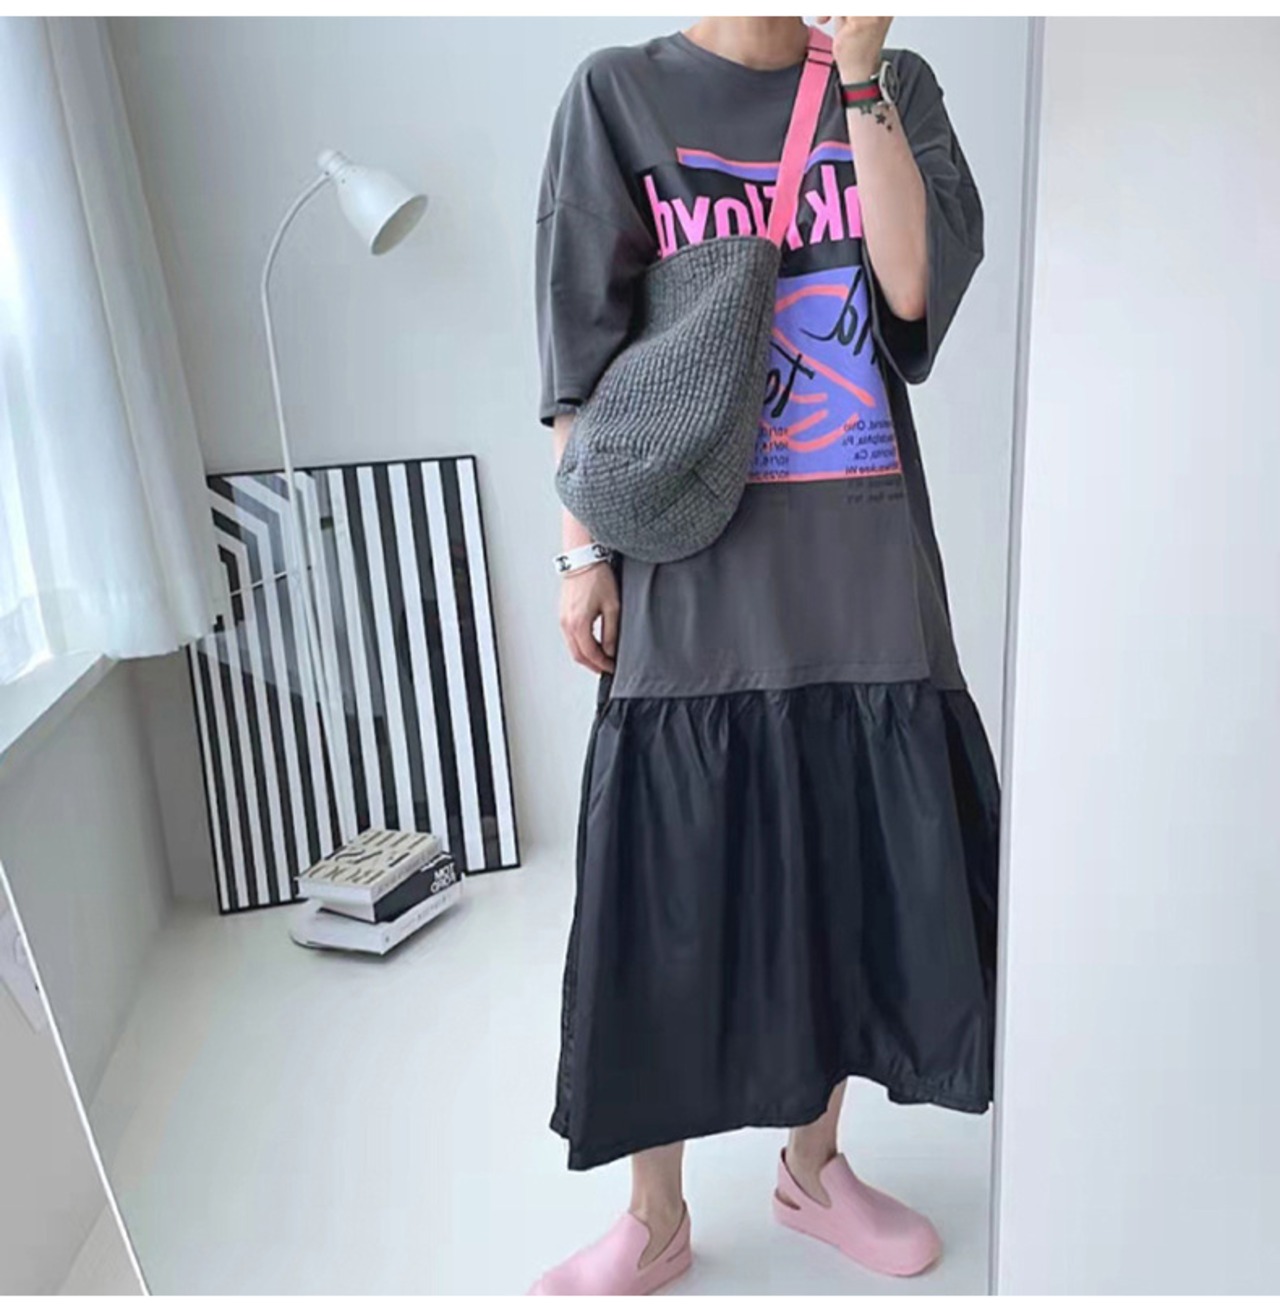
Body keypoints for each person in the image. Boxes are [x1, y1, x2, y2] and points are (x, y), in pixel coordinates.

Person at [530, 14, 999, 1296]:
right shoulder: (617, 96)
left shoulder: (892, 85)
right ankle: (655, 1212)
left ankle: (812, 1166)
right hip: (691, 561)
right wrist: (581, 551)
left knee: (844, 862)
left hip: (858, 562)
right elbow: (580, 342)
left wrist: (859, 78)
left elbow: (908, 292)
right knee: (668, 887)